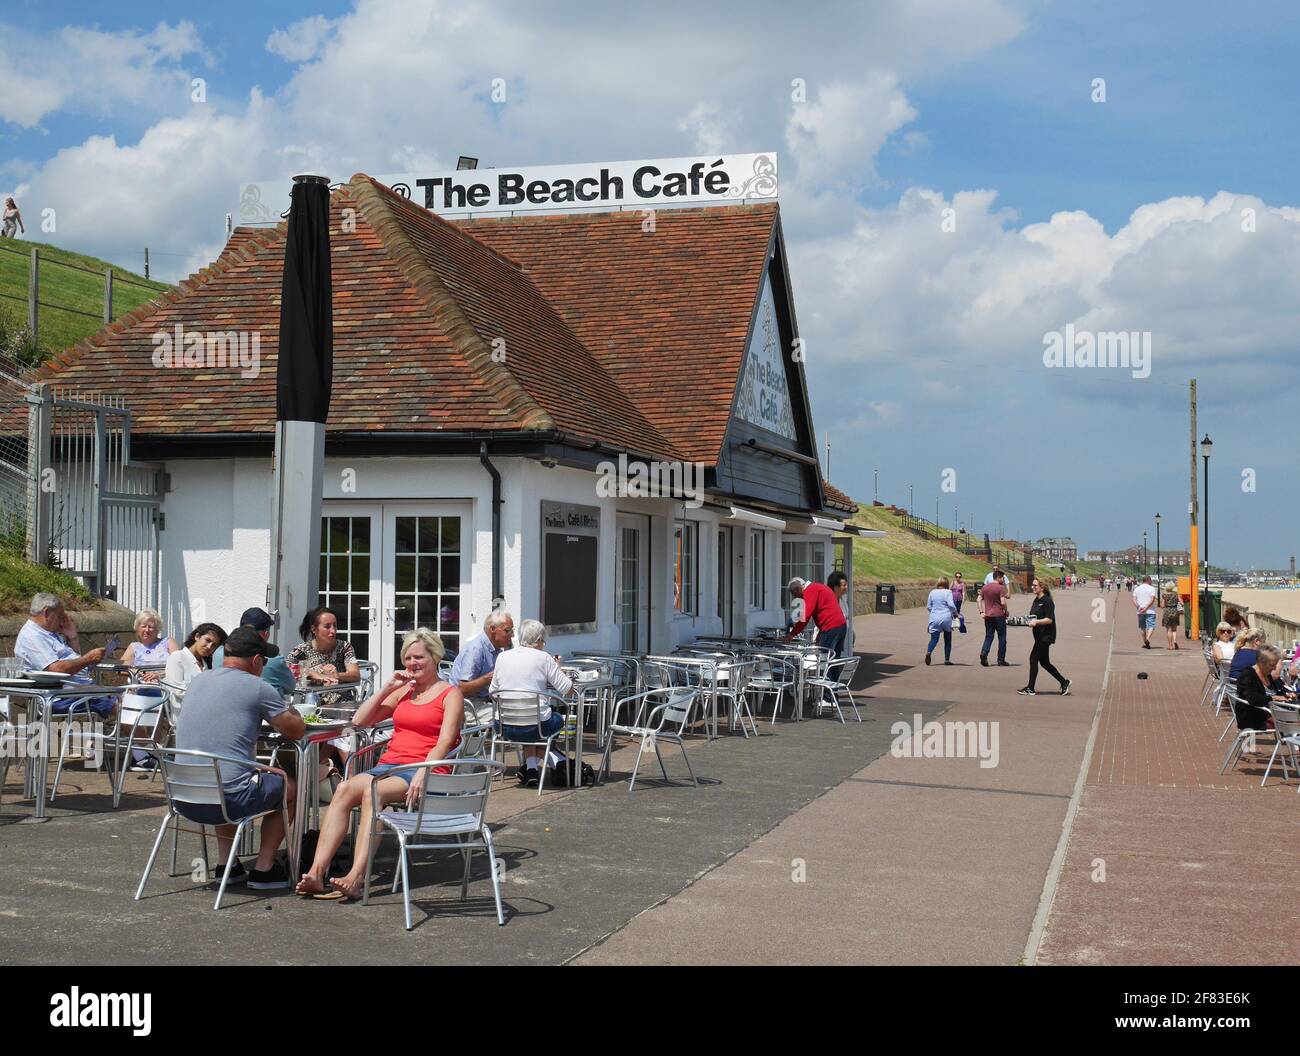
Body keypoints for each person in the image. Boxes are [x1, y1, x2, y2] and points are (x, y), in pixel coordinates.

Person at [295, 628, 463, 900]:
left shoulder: (449, 694)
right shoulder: (405, 692)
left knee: (374, 791)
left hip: (425, 768)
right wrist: (387, 687)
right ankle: (316, 872)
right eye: (407, 658)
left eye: (419, 657)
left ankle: (356, 877)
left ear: (435, 657)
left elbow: (444, 742)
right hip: (389, 766)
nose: (412, 663)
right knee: (344, 789)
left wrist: (423, 771)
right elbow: (361, 721)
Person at [174, 627, 304, 889]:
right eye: (264, 661)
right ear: (257, 661)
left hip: (183, 797)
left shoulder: (199, 680)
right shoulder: (258, 687)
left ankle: (227, 865)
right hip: (229, 799)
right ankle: (264, 868)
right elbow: (296, 730)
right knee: (290, 787)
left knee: (224, 771)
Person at [490, 618, 573, 783]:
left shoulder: (502, 657)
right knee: (549, 718)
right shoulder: (544, 658)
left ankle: (531, 770)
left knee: (531, 719)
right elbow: (568, 690)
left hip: (504, 727)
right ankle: (559, 762)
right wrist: (557, 668)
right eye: (543, 641)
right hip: (536, 727)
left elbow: (492, 691)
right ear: (539, 641)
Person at [14, 592, 113, 717]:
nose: (62, 621)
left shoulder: (49, 633)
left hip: (74, 691)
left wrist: (72, 637)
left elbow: (74, 661)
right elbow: (56, 669)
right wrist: (88, 659)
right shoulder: (33, 636)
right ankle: (136, 736)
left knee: (125, 699)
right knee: (123, 704)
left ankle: (135, 735)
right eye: (60, 616)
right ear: (46, 612)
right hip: (60, 697)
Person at [211, 607, 295, 695]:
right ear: (266, 633)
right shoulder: (274, 660)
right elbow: (290, 687)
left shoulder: (218, 653)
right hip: (266, 707)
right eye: (263, 661)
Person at [448, 610, 515, 719]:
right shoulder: (476, 650)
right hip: (465, 705)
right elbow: (462, 689)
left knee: (519, 708)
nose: (512, 635)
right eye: (507, 631)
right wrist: (489, 678)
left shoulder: (497, 648)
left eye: (512, 630)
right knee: (509, 714)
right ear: (493, 629)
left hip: (484, 701)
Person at [1019, 578, 1071, 696]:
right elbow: (1033, 616)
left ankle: (1030, 688)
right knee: (1045, 663)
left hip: (1046, 636)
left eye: (1035, 586)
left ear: (1042, 588)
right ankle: (1064, 682)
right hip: (1039, 636)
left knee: (1033, 659)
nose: (1033, 587)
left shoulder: (1047, 601)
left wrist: (1036, 622)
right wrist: (1024, 621)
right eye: (1032, 585)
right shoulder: (1036, 600)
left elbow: (1049, 620)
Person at [784, 572, 850, 657]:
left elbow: (805, 616)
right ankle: (833, 671)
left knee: (824, 659)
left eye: (794, 594)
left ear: (798, 589)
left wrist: (791, 634)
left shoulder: (809, 590)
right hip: (840, 626)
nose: (795, 597)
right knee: (833, 659)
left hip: (831, 627)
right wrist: (820, 633)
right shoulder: (817, 587)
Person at [1231, 645, 1282, 734]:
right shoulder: (1248, 675)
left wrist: (1289, 694)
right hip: (1255, 719)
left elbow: (1281, 689)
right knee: (1295, 723)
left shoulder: (1267, 674)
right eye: (1272, 665)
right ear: (1261, 663)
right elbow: (1253, 698)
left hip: (1272, 713)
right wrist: (1273, 698)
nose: (1274, 668)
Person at [120, 608, 179, 681]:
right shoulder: (134, 647)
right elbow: (122, 669)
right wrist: (140, 673)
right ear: (137, 629)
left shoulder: (168, 642)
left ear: (157, 629)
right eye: (143, 626)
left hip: (165, 686)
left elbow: (179, 665)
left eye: (150, 627)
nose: (147, 630)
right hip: (141, 687)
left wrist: (159, 674)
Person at [164, 622, 227, 688]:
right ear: (197, 636)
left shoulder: (207, 664)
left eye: (214, 645)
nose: (209, 646)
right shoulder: (177, 657)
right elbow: (177, 690)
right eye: (207, 640)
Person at [978, 569, 1010, 667]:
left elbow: (978, 599)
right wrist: (1006, 611)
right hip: (999, 615)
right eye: (1003, 578)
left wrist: (981, 612)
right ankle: (1001, 660)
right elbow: (1003, 602)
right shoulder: (1001, 588)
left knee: (989, 636)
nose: (1004, 580)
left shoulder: (985, 587)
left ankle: (984, 652)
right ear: (998, 577)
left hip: (988, 616)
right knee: (1002, 638)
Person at [925, 577, 958, 666]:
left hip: (934, 617)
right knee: (947, 639)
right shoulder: (948, 592)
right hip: (946, 617)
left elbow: (928, 606)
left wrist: (934, 611)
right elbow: (951, 605)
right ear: (947, 584)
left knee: (934, 639)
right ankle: (947, 659)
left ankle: (929, 652)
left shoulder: (932, 592)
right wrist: (956, 613)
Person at [1132, 575, 1158, 649]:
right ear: (1148, 580)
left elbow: (1134, 599)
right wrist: (1146, 608)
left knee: (1142, 627)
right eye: (1151, 580)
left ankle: (1145, 641)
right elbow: (1152, 599)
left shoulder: (1137, 588)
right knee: (1151, 626)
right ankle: (1147, 639)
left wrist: (1138, 607)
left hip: (1140, 611)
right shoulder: (1152, 588)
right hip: (1150, 611)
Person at [1160, 582, 1183, 650]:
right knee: (1174, 629)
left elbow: (1162, 605)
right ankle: (1175, 641)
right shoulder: (1176, 594)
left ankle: (1170, 645)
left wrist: (1164, 604)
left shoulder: (1165, 595)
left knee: (1169, 630)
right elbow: (1182, 603)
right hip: (1175, 612)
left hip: (1167, 612)